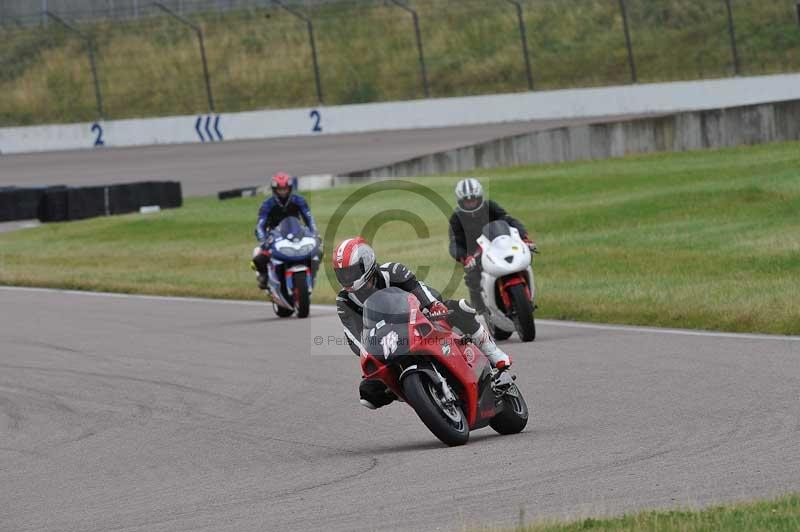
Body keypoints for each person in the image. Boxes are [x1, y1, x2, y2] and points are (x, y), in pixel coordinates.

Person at [332, 236, 512, 410]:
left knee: (459, 309)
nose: (347, 277)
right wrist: (367, 353)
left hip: (418, 318)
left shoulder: (392, 271)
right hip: (387, 343)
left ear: (367, 262)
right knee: (368, 394)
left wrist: (433, 305)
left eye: (351, 271)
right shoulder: (344, 301)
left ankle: (493, 353)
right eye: (342, 273)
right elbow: (353, 336)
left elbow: (419, 289)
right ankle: (411, 390)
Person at [448, 178, 536, 313]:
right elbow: (454, 243)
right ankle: (481, 309)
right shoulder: (456, 218)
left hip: (500, 245)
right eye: (467, 201)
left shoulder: (490, 206)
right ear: (460, 201)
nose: (471, 203)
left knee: (525, 258)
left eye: (473, 199)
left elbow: (508, 220)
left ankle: (526, 295)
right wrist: (465, 257)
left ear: (480, 197)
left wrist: (524, 238)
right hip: (475, 256)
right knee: (473, 277)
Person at [251, 172, 320, 289]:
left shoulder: (299, 201)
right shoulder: (267, 205)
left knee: (319, 250)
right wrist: (263, 240)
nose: (283, 192)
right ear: (274, 190)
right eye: (280, 189)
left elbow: (309, 219)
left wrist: (314, 234)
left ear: (290, 188)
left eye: (285, 189)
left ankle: (312, 274)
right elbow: (260, 226)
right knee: (258, 256)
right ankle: (264, 276)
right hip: (275, 236)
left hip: (297, 234)